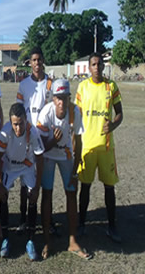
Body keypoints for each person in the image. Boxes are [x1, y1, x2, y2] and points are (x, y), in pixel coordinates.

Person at [36, 79, 92, 260]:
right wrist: (53, 141)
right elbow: (39, 146)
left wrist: (75, 172)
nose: (62, 103)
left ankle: (73, 241)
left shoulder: (74, 111)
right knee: (47, 194)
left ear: (69, 98)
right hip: (49, 155)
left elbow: (79, 143)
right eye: (58, 98)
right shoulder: (46, 112)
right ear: (53, 99)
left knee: (71, 193)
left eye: (65, 98)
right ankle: (47, 240)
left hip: (66, 156)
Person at [76, 53, 124, 243]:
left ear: (103, 66)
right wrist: (76, 144)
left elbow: (120, 113)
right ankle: (81, 224)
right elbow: (77, 117)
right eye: (93, 64)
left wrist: (113, 124)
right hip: (87, 147)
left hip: (106, 148)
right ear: (89, 67)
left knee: (109, 187)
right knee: (85, 187)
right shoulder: (83, 87)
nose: (97, 67)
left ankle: (112, 226)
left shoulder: (111, 86)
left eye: (99, 64)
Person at [0, 103, 44, 260]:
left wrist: (37, 187)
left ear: (26, 119)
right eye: (15, 124)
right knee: (3, 196)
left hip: (27, 166)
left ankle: (30, 240)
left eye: (21, 123)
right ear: (10, 121)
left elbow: (40, 158)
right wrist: (0, 184)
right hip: (10, 166)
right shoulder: (5, 132)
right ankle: (5, 239)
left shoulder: (33, 132)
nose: (18, 128)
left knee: (32, 197)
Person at [15, 47, 52, 234]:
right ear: (30, 63)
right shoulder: (23, 85)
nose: (37, 63)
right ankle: (23, 218)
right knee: (25, 181)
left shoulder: (50, 84)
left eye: (39, 60)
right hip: (27, 140)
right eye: (33, 60)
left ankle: (47, 219)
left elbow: (53, 112)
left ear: (43, 61)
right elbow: (19, 112)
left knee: (44, 181)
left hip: (45, 140)